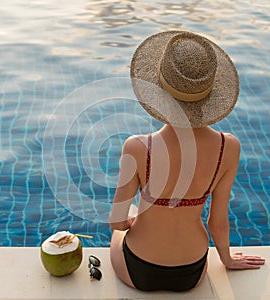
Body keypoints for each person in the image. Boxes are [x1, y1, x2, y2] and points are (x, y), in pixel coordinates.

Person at [109, 30, 265, 292]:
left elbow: (116, 221)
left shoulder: (137, 147)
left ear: (158, 92)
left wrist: (131, 221)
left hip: (140, 268)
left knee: (118, 232)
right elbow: (218, 221)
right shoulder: (229, 147)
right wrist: (226, 259)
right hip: (191, 272)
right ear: (211, 94)